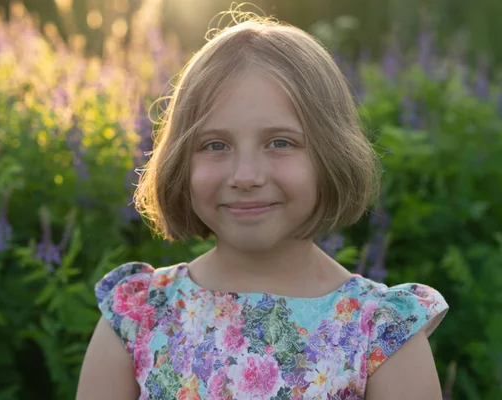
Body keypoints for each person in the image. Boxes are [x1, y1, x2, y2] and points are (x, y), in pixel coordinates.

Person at [77, 14, 449, 400]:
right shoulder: (137, 316)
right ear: (179, 161)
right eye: (215, 145)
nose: (246, 175)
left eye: (280, 143)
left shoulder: (382, 334)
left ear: (331, 154)